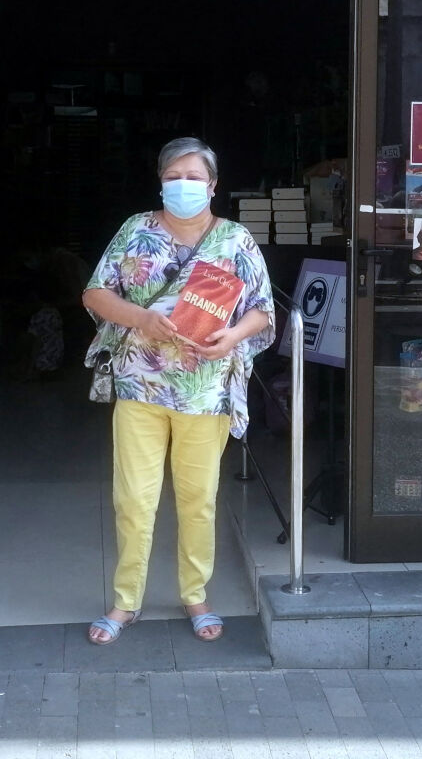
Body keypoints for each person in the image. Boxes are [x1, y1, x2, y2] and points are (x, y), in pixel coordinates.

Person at [82, 136, 274, 644]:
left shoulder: (235, 239)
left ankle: (195, 594)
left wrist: (231, 336)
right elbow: (96, 293)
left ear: (212, 186)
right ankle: (126, 602)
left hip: (204, 393)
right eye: (174, 176)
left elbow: (263, 310)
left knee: (198, 500)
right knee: (134, 501)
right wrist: (142, 316)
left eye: (194, 178)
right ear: (161, 182)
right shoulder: (135, 230)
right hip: (140, 387)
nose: (184, 185)